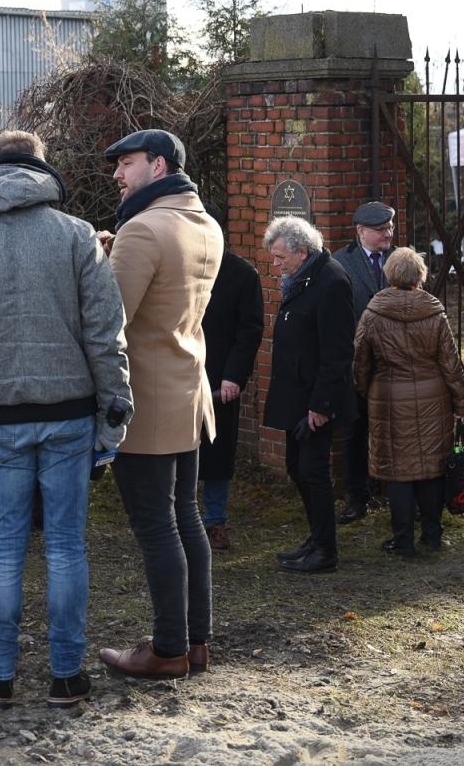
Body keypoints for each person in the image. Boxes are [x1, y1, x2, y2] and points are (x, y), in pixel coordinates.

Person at [0, 130, 132, 710]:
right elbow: (105, 335)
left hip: (1, 418)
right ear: (44, 172)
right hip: (69, 415)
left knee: (4, 545)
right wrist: (114, 412)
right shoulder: (76, 238)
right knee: (66, 544)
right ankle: (66, 675)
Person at [97, 129, 221, 681]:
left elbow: (110, 322)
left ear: (159, 163)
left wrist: (102, 265)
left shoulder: (142, 228)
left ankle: (167, 649)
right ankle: (196, 643)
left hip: (145, 400)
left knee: (156, 526)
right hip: (189, 392)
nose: (118, 175)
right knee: (186, 518)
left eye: (126, 163)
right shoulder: (205, 223)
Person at [352, 247, 464, 557]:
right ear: (420, 275)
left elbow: (360, 361)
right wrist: (462, 402)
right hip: (434, 398)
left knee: (397, 472)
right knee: (430, 468)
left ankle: (402, 538)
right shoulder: (434, 311)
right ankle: (432, 534)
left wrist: (365, 391)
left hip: (388, 396)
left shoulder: (373, 313)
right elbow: (450, 362)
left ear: (390, 274)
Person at [261, 215, 356, 574]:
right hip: (295, 395)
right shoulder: (302, 278)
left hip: (316, 400)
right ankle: (316, 538)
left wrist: (321, 406)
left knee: (313, 471)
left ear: (302, 251)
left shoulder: (330, 281)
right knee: (295, 467)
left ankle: (325, 549)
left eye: (280, 257)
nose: (276, 264)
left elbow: (337, 352)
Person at [197, 213, 263, 553]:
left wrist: (234, 376)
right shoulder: (179, 267)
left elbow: (249, 330)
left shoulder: (241, 274)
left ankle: (215, 521)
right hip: (181, 375)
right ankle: (183, 520)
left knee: (217, 454)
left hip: (220, 378)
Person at [333, 201, 396, 523]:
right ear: (360, 232)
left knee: (395, 431)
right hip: (356, 365)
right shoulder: (341, 262)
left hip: (395, 366)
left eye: (389, 227)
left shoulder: (402, 260)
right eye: (379, 229)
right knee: (354, 432)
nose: (387, 234)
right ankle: (357, 496)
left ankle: (396, 494)